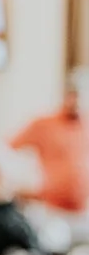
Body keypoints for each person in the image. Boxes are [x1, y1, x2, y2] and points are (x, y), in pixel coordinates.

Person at [9, 77, 89, 215]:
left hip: (84, 211)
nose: (77, 101)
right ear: (65, 96)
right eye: (73, 95)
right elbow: (7, 149)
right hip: (51, 210)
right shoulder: (44, 124)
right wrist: (20, 183)